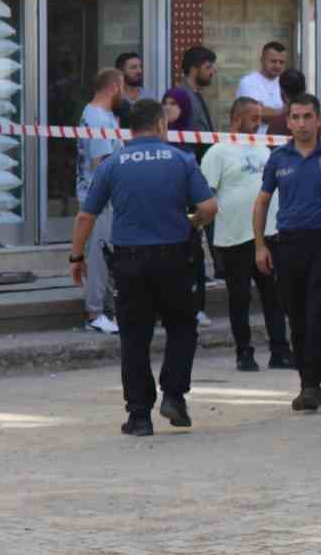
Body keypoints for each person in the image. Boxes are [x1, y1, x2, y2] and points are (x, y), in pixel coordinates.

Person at [72, 99, 218, 437]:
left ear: (129, 130)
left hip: (130, 262)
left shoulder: (113, 163)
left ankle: (139, 416)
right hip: (174, 259)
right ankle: (174, 396)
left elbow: (85, 216)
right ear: (161, 125)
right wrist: (192, 222)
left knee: (135, 337)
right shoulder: (181, 159)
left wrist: (76, 257)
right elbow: (209, 206)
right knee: (182, 327)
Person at [253, 93, 321, 413]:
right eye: (296, 117)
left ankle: (311, 384)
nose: (302, 123)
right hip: (288, 245)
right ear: (288, 121)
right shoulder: (278, 159)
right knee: (297, 315)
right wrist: (260, 246)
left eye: (308, 116)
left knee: (318, 313)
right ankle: (307, 379)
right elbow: (263, 201)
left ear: (319, 120)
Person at [200, 97, 293, 372]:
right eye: (254, 118)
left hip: (267, 235)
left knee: (274, 297)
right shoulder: (218, 151)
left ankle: (280, 351)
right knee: (239, 298)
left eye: (260, 118)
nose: (258, 124)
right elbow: (204, 193)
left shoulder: (264, 149)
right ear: (237, 119)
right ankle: (244, 352)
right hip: (233, 237)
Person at [76, 68, 126, 335]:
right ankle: (94, 313)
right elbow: (102, 163)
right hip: (100, 197)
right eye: (123, 88)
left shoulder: (102, 115)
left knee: (107, 255)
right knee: (99, 255)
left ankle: (105, 310)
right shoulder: (97, 118)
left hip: (105, 197)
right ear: (115, 87)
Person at [161, 87, 214, 328]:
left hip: (190, 205)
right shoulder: (158, 137)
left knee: (194, 255)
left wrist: (195, 216)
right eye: (165, 102)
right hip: (164, 207)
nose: (168, 107)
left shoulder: (193, 138)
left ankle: (197, 307)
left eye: (174, 103)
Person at [265, 70, 321, 139]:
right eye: (295, 117)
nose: (301, 124)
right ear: (305, 89)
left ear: (282, 94)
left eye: (307, 116)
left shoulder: (277, 124)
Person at [176, 46, 218, 138]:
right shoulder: (180, 96)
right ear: (193, 70)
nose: (212, 72)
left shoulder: (197, 94)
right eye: (208, 68)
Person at [236, 42, 288, 112]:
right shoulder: (248, 82)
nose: (278, 66)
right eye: (273, 61)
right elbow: (256, 112)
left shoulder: (286, 83)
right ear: (262, 60)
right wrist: (286, 111)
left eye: (281, 62)